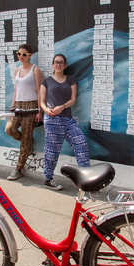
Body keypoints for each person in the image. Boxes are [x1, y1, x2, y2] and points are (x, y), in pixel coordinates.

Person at [39, 54, 90, 190]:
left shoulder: (71, 80)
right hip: (52, 120)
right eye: (56, 62)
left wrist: (62, 106)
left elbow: (73, 100)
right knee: (52, 150)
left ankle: (86, 178)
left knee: (81, 143)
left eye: (61, 63)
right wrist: (47, 111)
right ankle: (48, 179)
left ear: (65, 65)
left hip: (68, 119)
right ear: (52, 65)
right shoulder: (46, 82)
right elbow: (42, 102)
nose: (58, 65)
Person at [5, 44, 43, 180]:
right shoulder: (17, 71)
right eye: (19, 54)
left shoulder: (35, 70)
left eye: (24, 54)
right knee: (9, 129)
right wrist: (12, 106)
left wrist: (39, 110)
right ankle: (26, 143)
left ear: (30, 56)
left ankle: (18, 168)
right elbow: (16, 91)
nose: (21, 56)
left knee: (26, 136)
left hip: (31, 105)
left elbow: (40, 91)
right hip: (18, 105)